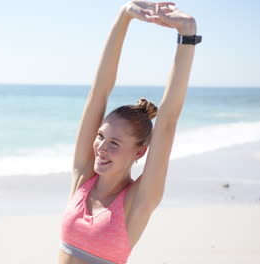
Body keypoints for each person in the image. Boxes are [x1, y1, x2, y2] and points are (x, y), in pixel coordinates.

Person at [60, 1, 201, 263]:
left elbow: (168, 120)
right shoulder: (83, 179)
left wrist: (187, 35)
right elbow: (98, 92)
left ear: (140, 152)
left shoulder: (138, 201)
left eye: (114, 142)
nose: (101, 147)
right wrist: (124, 17)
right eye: (101, 136)